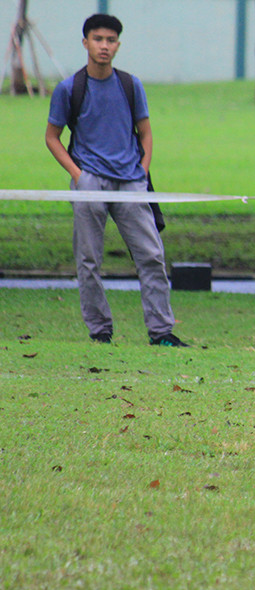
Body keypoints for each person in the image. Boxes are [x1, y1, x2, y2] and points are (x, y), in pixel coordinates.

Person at [45, 14, 187, 347]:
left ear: (118, 45)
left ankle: (162, 331)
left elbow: (146, 132)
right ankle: (100, 331)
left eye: (110, 40)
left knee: (151, 256)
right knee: (89, 260)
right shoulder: (69, 89)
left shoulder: (130, 84)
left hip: (131, 184)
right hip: (90, 183)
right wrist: (78, 176)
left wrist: (142, 168)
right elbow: (52, 137)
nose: (104, 46)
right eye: (98, 39)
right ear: (85, 43)